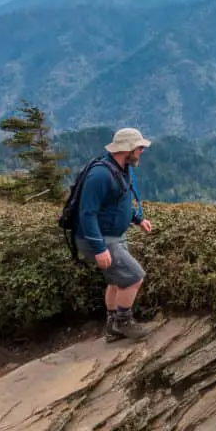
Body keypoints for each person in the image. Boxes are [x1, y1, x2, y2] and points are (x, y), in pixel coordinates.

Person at [75, 127, 154, 341]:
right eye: (139, 147)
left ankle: (112, 326)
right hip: (101, 238)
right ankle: (123, 321)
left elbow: (117, 204)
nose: (142, 151)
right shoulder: (100, 175)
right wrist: (99, 248)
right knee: (135, 277)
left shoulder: (121, 168)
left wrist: (138, 220)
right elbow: (87, 213)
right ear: (127, 148)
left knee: (117, 281)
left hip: (112, 235)